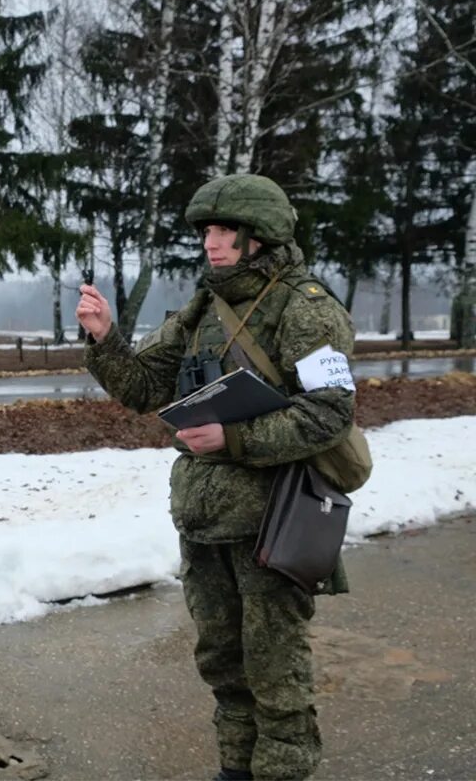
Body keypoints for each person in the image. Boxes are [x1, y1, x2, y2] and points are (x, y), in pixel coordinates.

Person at [76, 174, 357, 781]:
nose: (212, 241)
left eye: (226, 229)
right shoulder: (203, 307)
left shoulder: (305, 307)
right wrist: (104, 338)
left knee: (274, 669)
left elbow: (331, 412)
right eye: (206, 230)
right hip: (206, 522)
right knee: (224, 664)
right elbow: (145, 385)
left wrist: (233, 439)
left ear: (261, 235)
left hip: (274, 522)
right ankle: (235, 771)